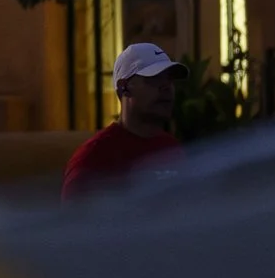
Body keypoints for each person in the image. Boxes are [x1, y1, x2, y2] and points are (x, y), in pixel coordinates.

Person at [61, 41, 183, 201]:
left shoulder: (172, 149)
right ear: (124, 87)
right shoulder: (94, 158)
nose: (166, 87)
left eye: (169, 80)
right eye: (154, 79)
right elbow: (71, 222)